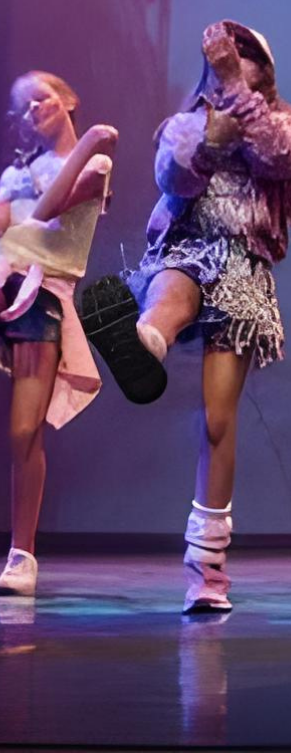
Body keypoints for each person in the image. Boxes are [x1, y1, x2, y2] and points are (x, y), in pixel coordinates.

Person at [79, 22, 291, 612]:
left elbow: (280, 157)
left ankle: (206, 569)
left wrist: (236, 93)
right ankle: (144, 342)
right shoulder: (186, 123)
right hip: (183, 247)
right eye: (224, 59)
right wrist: (210, 140)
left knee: (216, 421)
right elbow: (172, 175)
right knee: (171, 296)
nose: (232, 61)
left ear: (265, 69)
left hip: (241, 264)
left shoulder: (282, 121)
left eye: (245, 55)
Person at [0, 71, 115, 597]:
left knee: (24, 430)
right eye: (22, 108)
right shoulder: (14, 174)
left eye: (40, 99)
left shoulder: (96, 164)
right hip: (7, 281)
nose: (32, 111)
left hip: (42, 294)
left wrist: (88, 141)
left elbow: (47, 214)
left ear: (68, 99)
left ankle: (22, 555)